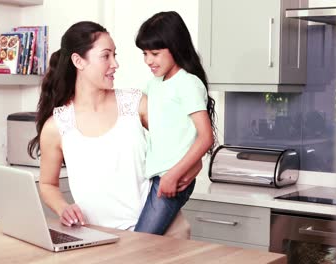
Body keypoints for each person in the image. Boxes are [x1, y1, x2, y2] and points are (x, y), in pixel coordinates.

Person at [27, 21, 200, 232]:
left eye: (114, 55)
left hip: (161, 233)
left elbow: (181, 141)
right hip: (99, 237)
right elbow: (48, 184)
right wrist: (63, 208)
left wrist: (194, 166)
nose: (115, 64)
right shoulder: (57, 126)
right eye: (106, 56)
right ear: (78, 61)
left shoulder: (136, 103)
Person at [133, 11, 217, 235]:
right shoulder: (154, 84)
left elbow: (206, 137)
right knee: (152, 244)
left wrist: (174, 174)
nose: (148, 60)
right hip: (157, 175)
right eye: (145, 54)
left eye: (155, 53)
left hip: (173, 177)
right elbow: (160, 127)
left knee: (140, 243)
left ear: (175, 47)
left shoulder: (187, 83)